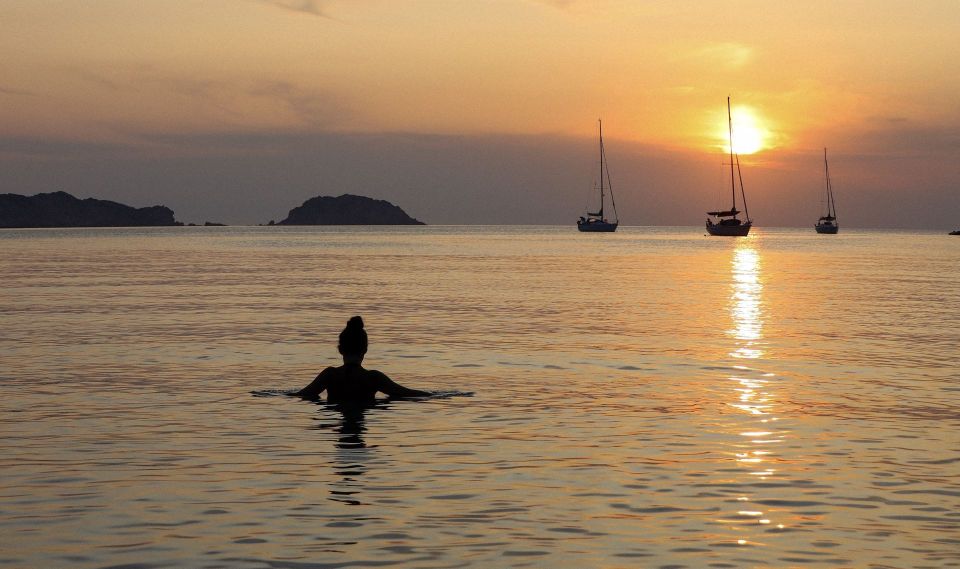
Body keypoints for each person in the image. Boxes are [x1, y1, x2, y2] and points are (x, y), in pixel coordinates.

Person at [295, 316, 431, 403]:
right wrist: (442, 395)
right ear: (365, 350)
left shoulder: (330, 375)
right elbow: (406, 393)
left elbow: (302, 395)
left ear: (340, 350)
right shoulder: (373, 378)